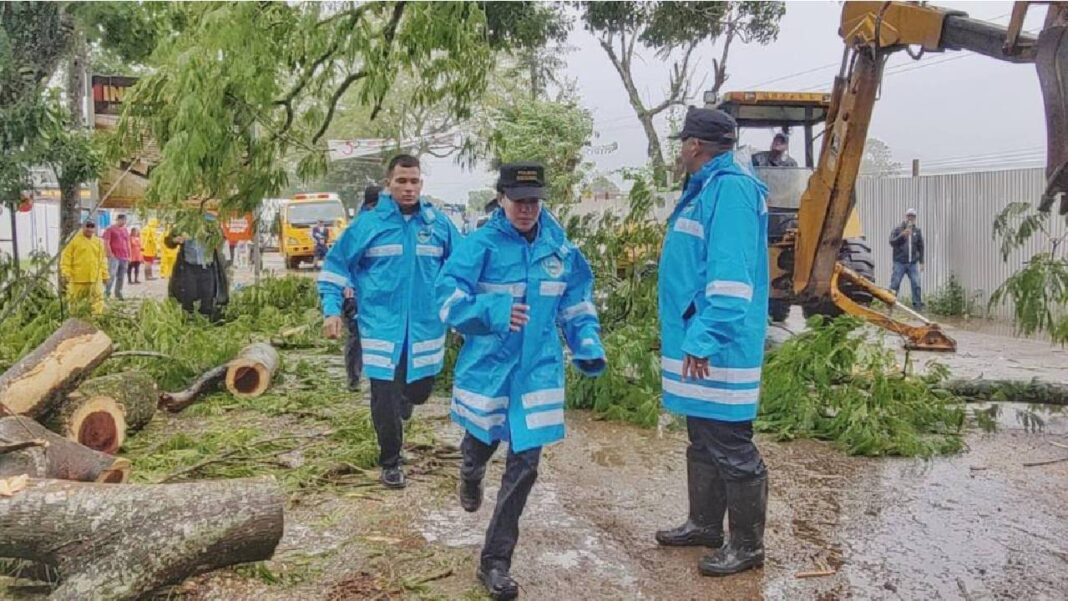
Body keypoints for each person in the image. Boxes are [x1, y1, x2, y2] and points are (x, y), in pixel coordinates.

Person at [436, 163, 606, 600]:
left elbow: (576, 301)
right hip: (490, 369)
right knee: (482, 442)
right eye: (518, 200)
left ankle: (495, 561)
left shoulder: (559, 249)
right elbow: (447, 299)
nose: (527, 209)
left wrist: (586, 342)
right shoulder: (480, 245)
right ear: (502, 198)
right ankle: (470, 469)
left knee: (525, 466)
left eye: (534, 200)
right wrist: (492, 311)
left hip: (537, 373)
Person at [657, 107, 770, 577]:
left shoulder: (731, 191)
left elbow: (730, 282)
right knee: (702, 436)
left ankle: (747, 546)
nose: (681, 150)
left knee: (730, 443)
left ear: (694, 146)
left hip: (720, 347)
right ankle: (705, 524)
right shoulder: (706, 187)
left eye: (683, 143)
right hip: (699, 340)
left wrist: (703, 339)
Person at [319, 155, 459, 489]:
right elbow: (335, 268)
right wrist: (331, 309)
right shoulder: (368, 225)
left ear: (421, 184)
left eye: (414, 181)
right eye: (401, 181)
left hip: (425, 330)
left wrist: (465, 311)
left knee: (418, 392)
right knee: (384, 396)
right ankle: (391, 461)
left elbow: (462, 268)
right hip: (381, 328)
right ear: (388, 184)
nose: (408, 188)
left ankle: (406, 403)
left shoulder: (438, 225)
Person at [342, 184, 382, 392]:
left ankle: (381, 381)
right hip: (357, 293)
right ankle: (355, 378)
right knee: (357, 336)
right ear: (371, 204)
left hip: (378, 294)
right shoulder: (359, 228)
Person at [164, 215, 229, 321]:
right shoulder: (184, 224)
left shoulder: (211, 222)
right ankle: (188, 319)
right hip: (189, 266)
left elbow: (221, 238)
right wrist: (176, 240)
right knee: (188, 293)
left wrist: (214, 239)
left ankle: (206, 320)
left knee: (208, 294)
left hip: (207, 266)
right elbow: (168, 241)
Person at [60, 219, 109, 314]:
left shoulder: (99, 242)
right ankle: (74, 321)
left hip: (95, 278)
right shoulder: (73, 240)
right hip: (78, 278)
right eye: (88, 226)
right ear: (83, 227)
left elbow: (103, 260)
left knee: (98, 302)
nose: (90, 229)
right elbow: (66, 258)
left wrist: (105, 275)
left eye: (92, 227)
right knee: (75, 302)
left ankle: (96, 320)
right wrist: (65, 273)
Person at [889, 208, 925, 309]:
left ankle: (917, 305)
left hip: (912, 263)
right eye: (909, 216)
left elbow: (921, 247)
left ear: (915, 218)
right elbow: (892, 242)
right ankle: (890, 303)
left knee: (916, 283)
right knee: (895, 283)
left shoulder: (917, 231)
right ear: (906, 217)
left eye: (913, 216)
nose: (911, 218)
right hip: (899, 262)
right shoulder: (897, 229)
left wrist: (921, 262)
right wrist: (902, 235)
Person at [101, 213, 131, 300]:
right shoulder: (110, 229)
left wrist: (129, 255)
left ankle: (118, 293)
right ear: (118, 220)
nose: (123, 222)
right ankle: (107, 292)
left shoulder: (125, 230)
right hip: (114, 256)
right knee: (111, 275)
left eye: (125, 220)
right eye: (122, 220)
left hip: (124, 256)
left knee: (121, 276)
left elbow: (127, 243)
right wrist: (110, 254)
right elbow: (106, 241)